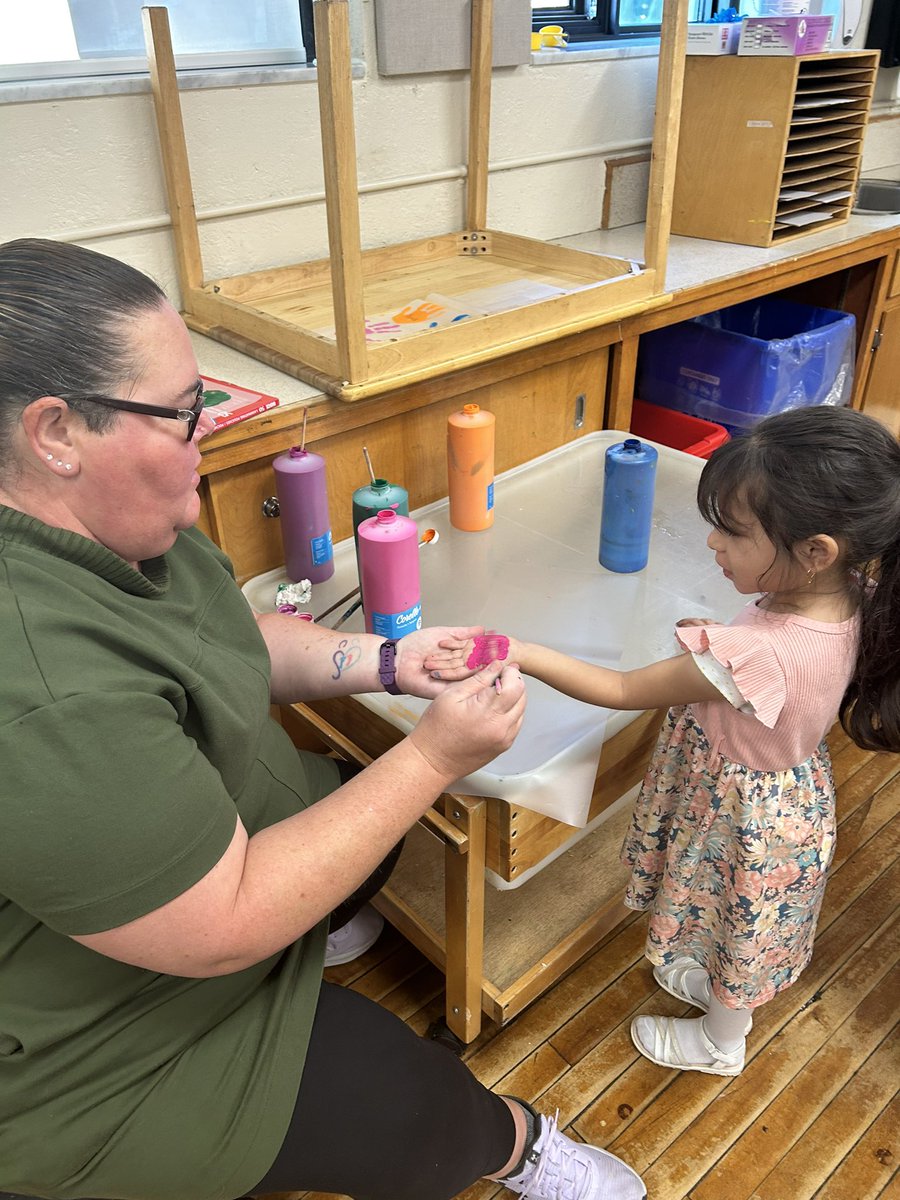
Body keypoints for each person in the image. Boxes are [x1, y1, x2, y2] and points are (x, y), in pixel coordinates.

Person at [0, 237, 647, 1200]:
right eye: (186, 416)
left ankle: (321, 933)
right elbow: (217, 923)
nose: (206, 435)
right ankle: (519, 1146)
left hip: (211, 862)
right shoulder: (42, 684)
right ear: (56, 433)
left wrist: (385, 659)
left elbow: (230, 638)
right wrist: (432, 756)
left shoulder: (120, 526)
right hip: (96, 1040)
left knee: (362, 819)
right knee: (408, 1105)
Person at [426, 405, 900, 1078]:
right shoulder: (856, 592)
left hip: (740, 812)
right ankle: (720, 997)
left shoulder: (754, 657)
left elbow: (619, 690)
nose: (714, 546)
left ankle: (720, 1042)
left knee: (734, 922)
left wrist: (520, 649)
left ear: (817, 550)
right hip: (787, 791)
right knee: (739, 917)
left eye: (732, 534)